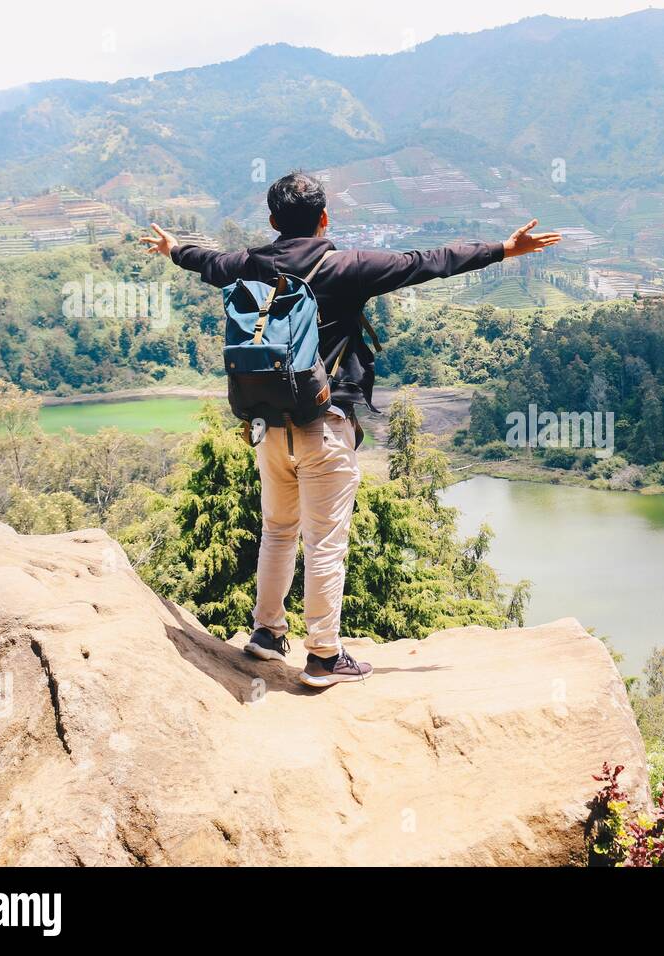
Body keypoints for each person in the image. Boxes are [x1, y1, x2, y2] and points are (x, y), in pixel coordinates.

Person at [143, 170, 560, 687]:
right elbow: (426, 264)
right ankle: (323, 657)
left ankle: (267, 634)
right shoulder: (348, 265)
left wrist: (171, 248)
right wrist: (503, 248)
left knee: (278, 530)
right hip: (326, 423)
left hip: (267, 426)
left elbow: (205, 263)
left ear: (273, 221)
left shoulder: (247, 263)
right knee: (325, 543)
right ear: (324, 218)